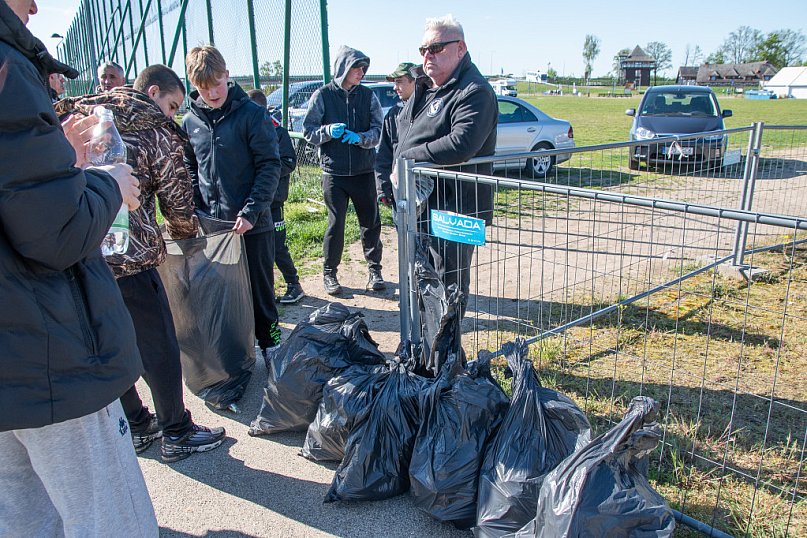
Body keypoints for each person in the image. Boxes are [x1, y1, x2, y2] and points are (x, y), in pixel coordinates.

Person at [0, 0, 157, 534]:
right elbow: (56, 233)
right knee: (111, 518)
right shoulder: (7, 64)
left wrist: (59, 162)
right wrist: (108, 183)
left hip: (13, 360)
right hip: (49, 350)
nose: (35, 7)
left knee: (23, 515)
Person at [56, 64, 227, 463]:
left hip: (79, 255)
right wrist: (184, 234)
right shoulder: (152, 131)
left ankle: (136, 423)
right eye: (171, 106)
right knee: (159, 346)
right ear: (152, 94)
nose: (171, 115)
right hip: (131, 259)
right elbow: (178, 200)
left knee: (107, 343)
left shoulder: (75, 117)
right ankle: (177, 430)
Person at [393, 14, 498, 318]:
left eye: (437, 48)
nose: (428, 56)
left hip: (457, 208)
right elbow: (403, 132)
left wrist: (408, 158)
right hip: (420, 205)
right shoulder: (427, 88)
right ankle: (424, 352)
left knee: (448, 284)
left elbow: (462, 143)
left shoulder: (474, 90)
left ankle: (446, 357)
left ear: (460, 48)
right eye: (423, 49)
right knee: (421, 280)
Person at [182, 45, 283, 358]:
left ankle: (272, 347)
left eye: (217, 84)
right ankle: (235, 352)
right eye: (203, 87)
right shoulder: (191, 122)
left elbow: (270, 164)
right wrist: (195, 211)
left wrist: (252, 211)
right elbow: (189, 167)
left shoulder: (252, 115)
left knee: (261, 294)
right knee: (221, 294)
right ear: (193, 86)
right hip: (213, 228)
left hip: (252, 225)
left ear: (227, 75)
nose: (212, 93)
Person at [303, 45, 385, 295]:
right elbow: (308, 132)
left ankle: (375, 270)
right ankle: (330, 273)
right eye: (356, 67)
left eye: (363, 68)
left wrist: (360, 138)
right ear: (343, 68)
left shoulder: (368, 96)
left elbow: (378, 130)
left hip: (362, 171)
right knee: (336, 224)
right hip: (334, 173)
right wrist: (327, 132)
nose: (361, 72)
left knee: (370, 222)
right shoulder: (322, 95)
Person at [247, 88, 305, 303]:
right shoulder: (246, 131)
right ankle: (262, 290)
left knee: (277, 245)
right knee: (254, 249)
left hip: (273, 201)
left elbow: (288, 161)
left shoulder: (277, 131)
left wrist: (265, 173)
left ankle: (293, 284)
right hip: (251, 202)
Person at [375, 61, 417, 207]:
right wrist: (383, 188)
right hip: (398, 188)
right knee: (403, 227)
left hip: (427, 190)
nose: (395, 87)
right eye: (394, 83)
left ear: (415, 81)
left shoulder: (429, 111)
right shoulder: (393, 115)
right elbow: (384, 154)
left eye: (399, 82)